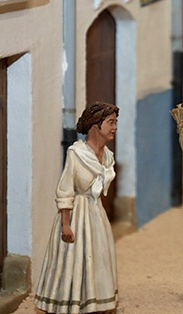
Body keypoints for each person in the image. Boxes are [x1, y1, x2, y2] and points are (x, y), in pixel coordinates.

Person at [35, 102, 119, 314]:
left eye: (115, 123)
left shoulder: (107, 156)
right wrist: (65, 224)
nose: (114, 127)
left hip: (95, 213)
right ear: (95, 126)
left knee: (98, 255)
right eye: (110, 123)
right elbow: (65, 189)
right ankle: (68, 302)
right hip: (76, 215)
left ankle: (96, 301)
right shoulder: (76, 153)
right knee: (72, 258)